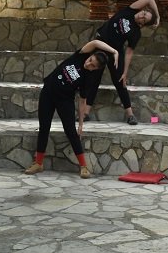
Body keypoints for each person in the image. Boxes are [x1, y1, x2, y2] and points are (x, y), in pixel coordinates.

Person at [24, 40, 118, 178]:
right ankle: (38, 163)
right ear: (89, 56)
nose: (89, 64)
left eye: (93, 65)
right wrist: (114, 51)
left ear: (95, 69)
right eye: (90, 60)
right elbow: (95, 42)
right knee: (44, 127)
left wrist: (81, 123)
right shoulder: (80, 56)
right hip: (48, 93)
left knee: (71, 132)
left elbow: (82, 101)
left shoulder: (89, 79)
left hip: (65, 100)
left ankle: (84, 166)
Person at [81, 0, 160, 126]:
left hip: (115, 53)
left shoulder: (136, 33)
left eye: (144, 19)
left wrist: (124, 72)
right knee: (94, 79)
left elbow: (129, 52)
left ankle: (130, 115)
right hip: (100, 45)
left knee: (120, 82)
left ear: (142, 24)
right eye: (144, 13)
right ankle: (85, 113)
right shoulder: (129, 11)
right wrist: (158, 16)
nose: (142, 16)